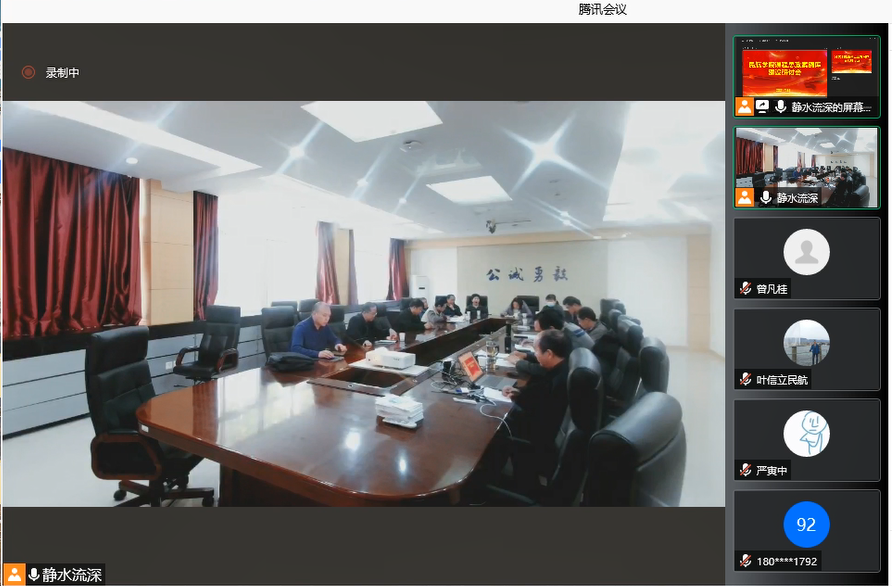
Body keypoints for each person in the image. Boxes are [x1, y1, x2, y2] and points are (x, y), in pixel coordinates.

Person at [498, 329, 573, 493]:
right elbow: (539, 396)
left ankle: (489, 478)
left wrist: (519, 399)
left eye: (537, 351)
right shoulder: (562, 369)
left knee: (495, 425)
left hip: (536, 442)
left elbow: (539, 409)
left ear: (549, 354)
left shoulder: (559, 381)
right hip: (545, 432)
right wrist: (520, 393)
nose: (535, 355)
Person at [508, 307, 591, 376]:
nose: (538, 335)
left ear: (551, 329)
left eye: (540, 332)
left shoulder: (569, 340)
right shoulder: (564, 330)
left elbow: (547, 370)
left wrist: (518, 362)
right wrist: (526, 355)